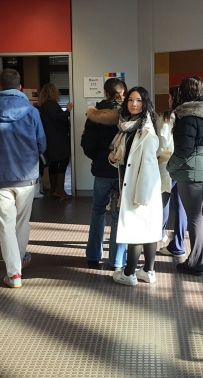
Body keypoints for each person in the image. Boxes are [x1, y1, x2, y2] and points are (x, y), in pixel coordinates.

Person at [0, 68, 46, 288]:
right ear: (20, 87)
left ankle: (14, 274)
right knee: (22, 222)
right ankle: (20, 259)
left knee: (6, 225)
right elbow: (42, 144)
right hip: (26, 176)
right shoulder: (32, 112)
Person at [167, 76, 203, 276]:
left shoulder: (187, 117)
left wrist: (170, 167)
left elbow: (183, 150)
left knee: (193, 216)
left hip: (190, 173)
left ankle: (195, 263)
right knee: (197, 215)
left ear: (183, 92)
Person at [109, 87, 163, 286]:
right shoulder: (128, 127)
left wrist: (141, 196)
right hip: (134, 184)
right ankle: (148, 271)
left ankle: (129, 273)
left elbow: (148, 166)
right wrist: (114, 158)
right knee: (148, 229)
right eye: (131, 100)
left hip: (141, 188)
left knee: (136, 230)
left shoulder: (147, 132)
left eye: (138, 100)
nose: (134, 104)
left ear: (145, 103)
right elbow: (127, 159)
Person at [81, 78, 127, 270]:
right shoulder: (127, 115)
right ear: (122, 93)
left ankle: (93, 256)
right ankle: (117, 261)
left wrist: (98, 158)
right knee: (118, 214)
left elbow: (87, 145)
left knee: (98, 211)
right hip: (122, 172)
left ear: (105, 93)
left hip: (101, 170)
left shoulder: (94, 115)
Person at [157, 86, 188, 257]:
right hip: (184, 165)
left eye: (169, 97)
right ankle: (178, 244)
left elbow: (162, 142)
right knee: (181, 206)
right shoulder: (188, 117)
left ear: (173, 98)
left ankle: (158, 233)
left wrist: (155, 156)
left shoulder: (165, 117)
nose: (168, 100)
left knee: (163, 201)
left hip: (166, 164)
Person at [38, 83, 74, 199]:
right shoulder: (52, 104)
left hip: (48, 138)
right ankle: (59, 189)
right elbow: (56, 117)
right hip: (58, 139)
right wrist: (67, 111)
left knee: (53, 163)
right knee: (64, 160)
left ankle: (54, 189)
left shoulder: (43, 106)